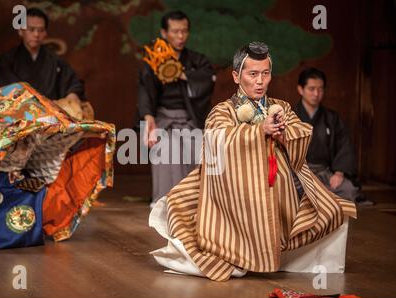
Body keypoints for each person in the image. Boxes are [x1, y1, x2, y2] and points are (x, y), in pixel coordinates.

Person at [149, 42, 357, 281]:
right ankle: (241, 252)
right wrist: (259, 132)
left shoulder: (280, 107)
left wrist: (284, 133)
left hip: (276, 189)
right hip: (234, 192)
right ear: (237, 76)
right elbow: (217, 139)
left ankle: (269, 253)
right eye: (253, 74)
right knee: (181, 202)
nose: (260, 81)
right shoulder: (223, 110)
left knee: (333, 210)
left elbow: (301, 131)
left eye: (265, 73)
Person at [0, 82, 115, 252]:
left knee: (38, 195)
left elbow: (55, 146)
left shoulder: (38, 131)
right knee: (0, 202)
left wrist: (88, 130)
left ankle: (20, 233)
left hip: (14, 177)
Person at [137, 10, 215, 207]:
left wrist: (183, 74)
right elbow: (145, 90)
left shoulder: (197, 61)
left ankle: (190, 206)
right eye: (175, 31)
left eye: (184, 31)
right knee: (166, 157)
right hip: (163, 119)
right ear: (164, 33)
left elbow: (208, 80)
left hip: (191, 119)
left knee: (193, 160)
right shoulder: (153, 61)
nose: (180, 36)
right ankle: (164, 205)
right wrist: (148, 118)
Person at [294, 68, 366, 203]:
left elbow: (344, 146)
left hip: (325, 173)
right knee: (289, 191)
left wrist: (339, 173)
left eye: (320, 89)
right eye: (311, 89)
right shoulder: (291, 116)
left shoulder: (332, 118)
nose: (316, 93)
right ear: (300, 89)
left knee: (348, 190)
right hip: (299, 174)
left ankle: (320, 198)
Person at [0, 8, 85, 104]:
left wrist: (72, 95)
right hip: (20, 113)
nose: (36, 34)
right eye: (31, 29)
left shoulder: (55, 60)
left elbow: (74, 84)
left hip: (52, 113)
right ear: (21, 31)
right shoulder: (8, 59)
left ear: (45, 33)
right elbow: (5, 90)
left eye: (40, 30)